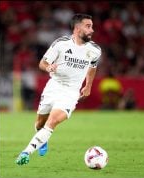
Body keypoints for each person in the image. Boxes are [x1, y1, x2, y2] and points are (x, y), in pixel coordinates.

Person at [16, 14, 101, 165]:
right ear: (77, 28)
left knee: (53, 120)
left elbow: (92, 67)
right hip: (54, 86)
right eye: (88, 26)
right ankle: (43, 139)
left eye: (92, 26)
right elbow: (42, 63)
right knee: (40, 123)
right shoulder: (61, 44)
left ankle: (26, 153)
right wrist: (49, 67)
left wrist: (88, 85)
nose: (92, 30)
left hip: (71, 92)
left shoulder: (94, 50)